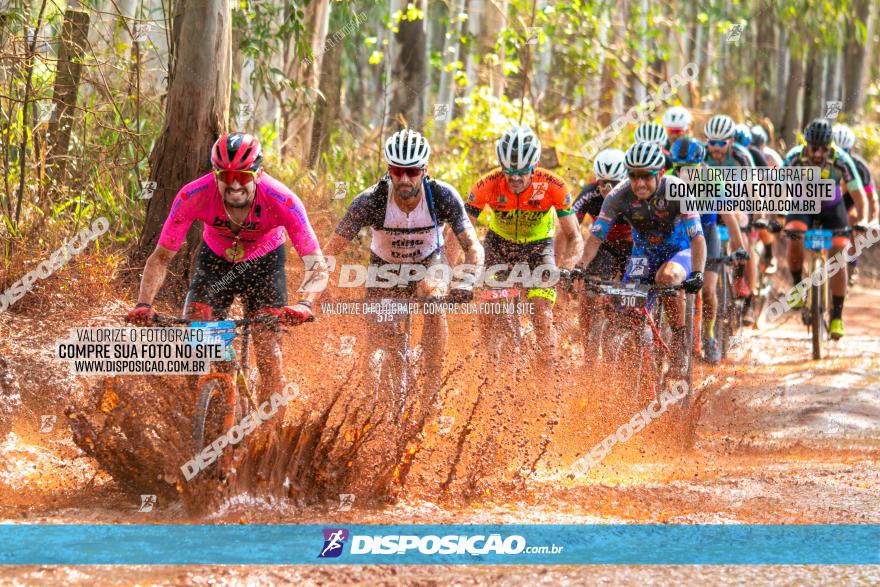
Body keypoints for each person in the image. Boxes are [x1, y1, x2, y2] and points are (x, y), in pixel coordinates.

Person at [127, 132, 328, 401]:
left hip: (264, 266)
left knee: (268, 352)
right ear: (214, 173)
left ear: (259, 173)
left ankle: (270, 432)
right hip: (216, 263)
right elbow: (161, 258)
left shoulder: (282, 200)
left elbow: (316, 264)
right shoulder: (194, 195)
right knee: (197, 343)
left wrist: (306, 303)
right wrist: (143, 303)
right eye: (225, 175)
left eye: (243, 175)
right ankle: (197, 414)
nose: (234, 185)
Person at [322, 129, 484, 379]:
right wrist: (321, 286)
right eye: (398, 171)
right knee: (378, 342)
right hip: (384, 268)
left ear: (425, 170)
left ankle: (432, 379)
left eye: (412, 172)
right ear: (389, 170)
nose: (405, 179)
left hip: (428, 262)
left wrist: (468, 281)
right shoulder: (370, 201)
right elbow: (329, 251)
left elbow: (473, 247)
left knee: (432, 298)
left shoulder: (442, 196)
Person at [576, 142, 707, 375]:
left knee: (666, 277)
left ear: (660, 173)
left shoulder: (678, 189)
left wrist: (697, 273)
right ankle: (635, 369)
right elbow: (595, 237)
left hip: (679, 251)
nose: (639, 184)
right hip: (644, 255)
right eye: (633, 177)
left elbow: (697, 238)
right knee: (628, 312)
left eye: (646, 177)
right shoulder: (618, 195)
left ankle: (679, 345)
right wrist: (579, 267)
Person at [465, 124, 582, 355]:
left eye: (522, 171)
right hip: (499, 245)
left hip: (538, 249)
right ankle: (490, 361)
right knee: (488, 308)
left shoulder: (554, 186)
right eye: (509, 171)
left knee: (541, 312)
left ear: (535, 165)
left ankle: (547, 378)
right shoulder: (486, 184)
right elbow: (460, 230)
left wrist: (568, 267)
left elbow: (574, 236)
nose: (515, 178)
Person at [782, 118, 869, 339]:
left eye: (823, 149)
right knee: (794, 236)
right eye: (814, 148)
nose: (818, 153)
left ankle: (837, 317)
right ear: (806, 144)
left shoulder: (841, 159)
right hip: (802, 204)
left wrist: (863, 220)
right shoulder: (793, 158)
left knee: (839, 254)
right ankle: (797, 286)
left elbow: (860, 196)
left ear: (830, 146)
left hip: (832, 208)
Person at [668, 137, 747, 364]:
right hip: (682, 232)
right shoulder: (669, 177)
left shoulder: (712, 178)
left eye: (689, 169)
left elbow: (729, 217)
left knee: (709, 289)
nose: (684, 173)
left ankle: (709, 334)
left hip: (708, 231)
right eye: (679, 168)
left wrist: (739, 248)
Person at [703, 114, 762, 325]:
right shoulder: (702, 155)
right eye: (712, 142)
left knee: (745, 243)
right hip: (711, 202)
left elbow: (753, 191)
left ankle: (748, 301)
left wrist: (756, 217)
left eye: (721, 143)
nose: (716, 147)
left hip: (738, 203)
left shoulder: (741, 158)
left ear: (731, 141)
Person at [572, 148, 631, 347]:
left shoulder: (636, 193)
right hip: (603, 246)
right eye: (602, 183)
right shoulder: (589, 194)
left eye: (613, 183)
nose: (607, 188)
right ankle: (586, 342)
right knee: (589, 293)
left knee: (634, 293)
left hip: (634, 248)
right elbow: (569, 228)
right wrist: (567, 261)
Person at [832, 124, 878, 285]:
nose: (841, 156)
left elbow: (871, 199)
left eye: (845, 152)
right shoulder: (820, 160)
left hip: (852, 200)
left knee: (853, 220)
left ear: (850, 150)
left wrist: (869, 221)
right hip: (829, 199)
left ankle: (852, 261)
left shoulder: (860, 167)